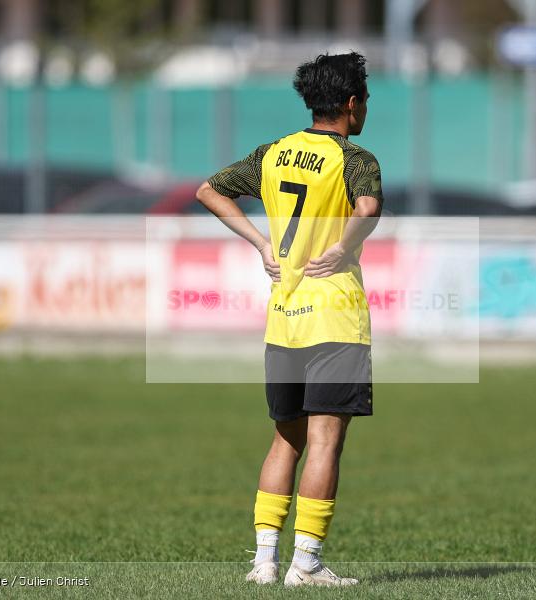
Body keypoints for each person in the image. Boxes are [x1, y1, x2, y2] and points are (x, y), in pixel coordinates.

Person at [196, 52, 382, 587]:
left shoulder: (274, 153)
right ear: (351, 104)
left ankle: (263, 562)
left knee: (286, 439)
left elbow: (209, 190)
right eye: (364, 100)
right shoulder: (355, 158)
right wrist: (344, 245)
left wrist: (260, 243)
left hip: (284, 316)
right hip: (334, 319)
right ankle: (306, 564)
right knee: (326, 441)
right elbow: (367, 209)